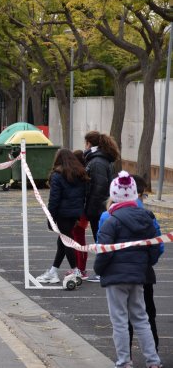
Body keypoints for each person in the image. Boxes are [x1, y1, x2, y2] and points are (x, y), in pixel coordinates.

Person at [94, 171, 161, 368]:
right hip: (138, 276)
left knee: (120, 321)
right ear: (135, 194)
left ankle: (124, 361)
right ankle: (153, 360)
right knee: (141, 318)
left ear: (113, 195)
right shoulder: (146, 218)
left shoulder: (110, 220)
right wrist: (146, 263)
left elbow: (103, 250)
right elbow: (155, 246)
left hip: (115, 277)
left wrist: (100, 270)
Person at [36, 149, 88, 284]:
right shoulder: (80, 174)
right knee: (63, 242)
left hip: (62, 213)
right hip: (74, 213)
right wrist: (78, 213)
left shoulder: (57, 175)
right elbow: (82, 196)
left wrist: (50, 217)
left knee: (67, 242)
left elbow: (54, 199)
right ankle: (53, 271)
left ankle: (75, 270)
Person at [83, 131, 120, 282]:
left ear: (90, 144)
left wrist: (89, 209)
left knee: (101, 240)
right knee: (103, 239)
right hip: (101, 206)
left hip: (98, 208)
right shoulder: (100, 159)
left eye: (85, 143)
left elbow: (98, 189)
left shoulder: (97, 162)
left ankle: (102, 271)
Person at [71, 150, 89, 280]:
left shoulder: (80, 175)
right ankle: (79, 267)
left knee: (79, 240)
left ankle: (81, 269)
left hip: (79, 212)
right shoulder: (82, 173)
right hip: (80, 211)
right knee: (77, 240)